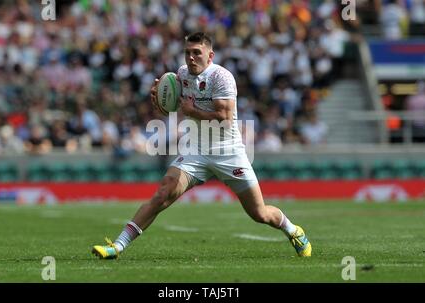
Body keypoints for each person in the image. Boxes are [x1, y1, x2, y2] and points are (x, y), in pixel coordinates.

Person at [92, 32, 311, 259]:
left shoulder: (222, 77)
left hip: (228, 152)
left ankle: (293, 230)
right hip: (195, 150)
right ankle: (117, 247)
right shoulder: (181, 74)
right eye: (188, 52)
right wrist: (159, 98)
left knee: (260, 213)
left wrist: (192, 111)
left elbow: (225, 117)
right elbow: (172, 106)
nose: (191, 57)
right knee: (163, 193)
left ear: (210, 55)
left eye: (197, 52)